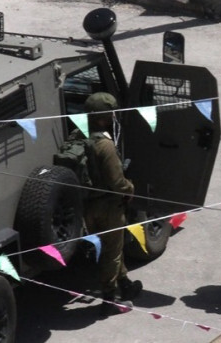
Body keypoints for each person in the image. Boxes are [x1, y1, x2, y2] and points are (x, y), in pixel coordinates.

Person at [79, 92, 142, 316]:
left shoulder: (78, 137)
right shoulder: (104, 145)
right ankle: (110, 300)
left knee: (111, 248)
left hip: (88, 207)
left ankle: (124, 283)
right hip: (109, 207)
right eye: (111, 113)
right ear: (103, 118)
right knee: (112, 252)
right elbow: (117, 182)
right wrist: (131, 188)